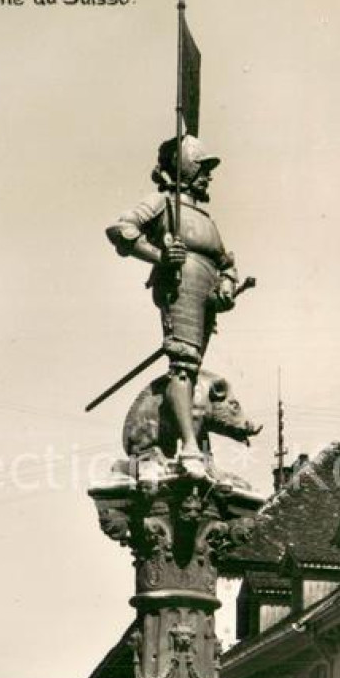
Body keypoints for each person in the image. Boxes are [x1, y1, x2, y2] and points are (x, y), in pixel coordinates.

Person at [107, 135, 239, 475]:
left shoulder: (206, 219)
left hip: (205, 295)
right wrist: (160, 256)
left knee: (192, 369)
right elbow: (122, 230)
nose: (209, 177)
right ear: (185, 168)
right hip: (180, 288)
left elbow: (226, 263)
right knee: (183, 364)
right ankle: (190, 448)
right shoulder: (163, 203)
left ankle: (191, 441)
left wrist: (226, 285)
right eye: (202, 169)